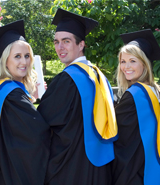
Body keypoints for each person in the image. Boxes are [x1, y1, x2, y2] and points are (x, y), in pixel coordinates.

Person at [37, 8, 118, 185]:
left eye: (66, 41)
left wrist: (30, 98)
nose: (60, 47)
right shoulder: (99, 77)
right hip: (100, 167)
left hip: (70, 169)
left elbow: (41, 122)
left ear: (81, 44)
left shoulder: (67, 80)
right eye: (56, 42)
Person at [0, 20, 50, 185]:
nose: (24, 62)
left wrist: (30, 97)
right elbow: (37, 133)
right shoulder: (12, 95)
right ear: (6, 61)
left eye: (27, 56)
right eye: (17, 57)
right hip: (8, 174)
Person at [112, 29, 160, 185]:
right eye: (123, 61)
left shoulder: (134, 95)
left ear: (145, 64)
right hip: (154, 168)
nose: (126, 67)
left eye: (133, 61)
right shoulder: (156, 91)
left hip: (134, 173)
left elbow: (118, 136)